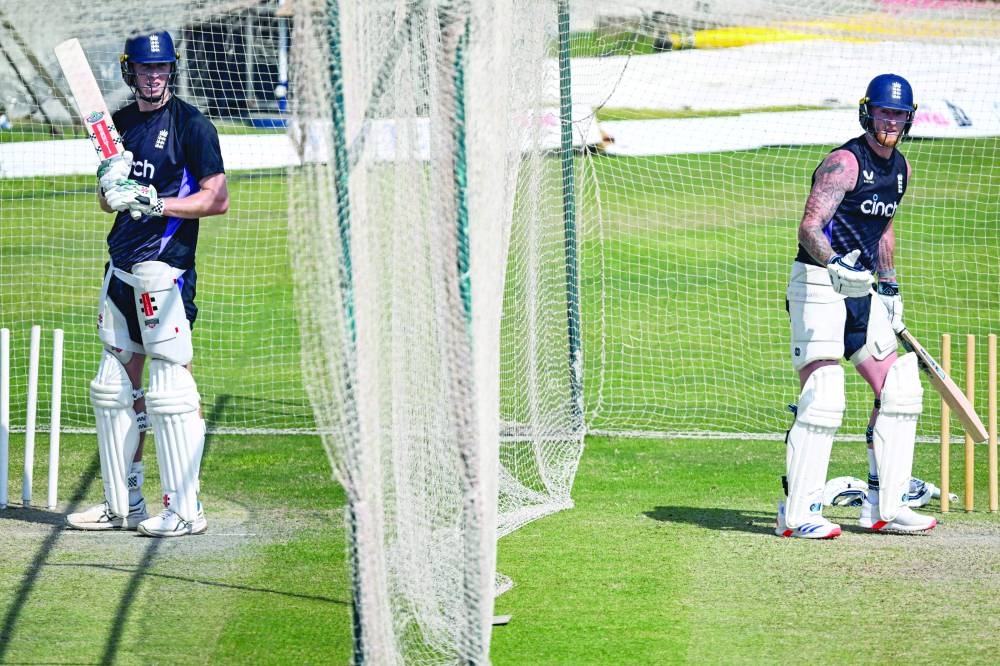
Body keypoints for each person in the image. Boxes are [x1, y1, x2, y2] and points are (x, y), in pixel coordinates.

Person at [66, 29, 229, 537]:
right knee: (114, 387)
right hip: (120, 265)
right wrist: (112, 191)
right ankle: (124, 503)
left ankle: (186, 508)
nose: (153, 77)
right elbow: (109, 195)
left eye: (160, 69)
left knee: (170, 386)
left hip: (167, 268)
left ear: (170, 70)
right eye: (144, 69)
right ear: (129, 71)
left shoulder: (191, 124)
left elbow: (216, 198)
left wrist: (158, 203)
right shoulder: (118, 124)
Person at [775, 73, 936, 539]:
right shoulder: (844, 163)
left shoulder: (900, 168)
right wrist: (835, 263)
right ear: (868, 112)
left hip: (862, 290)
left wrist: (890, 287)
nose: (891, 120)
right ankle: (797, 512)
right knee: (825, 394)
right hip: (818, 283)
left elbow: (882, 229)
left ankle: (884, 507)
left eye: (899, 114)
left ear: (909, 118)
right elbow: (809, 226)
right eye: (885, 111)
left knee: (900, 390)